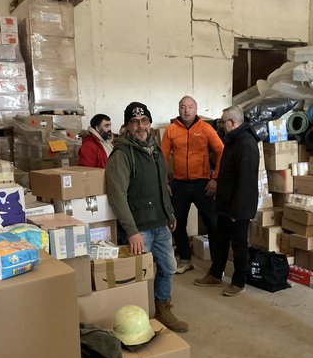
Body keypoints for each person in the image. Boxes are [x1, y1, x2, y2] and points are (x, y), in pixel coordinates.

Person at [106, 102, 188, 332]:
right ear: (126, 126)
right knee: (137, 277)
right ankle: (135, 320)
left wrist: (169, 213)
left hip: (160, 223)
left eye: (144, 121)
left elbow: (163, 185)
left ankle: (162, 308)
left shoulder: (155, 149)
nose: (140, 126)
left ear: (149, 123)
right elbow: (117, 195)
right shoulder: (122, 154)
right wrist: (131, 230)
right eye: (134, 122)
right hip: (140, 228)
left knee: (168, 267)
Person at [193, 105, 259, 297]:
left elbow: (246, 182)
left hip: (238, 207)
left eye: (223, 122)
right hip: (225, 204)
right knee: (220, 240)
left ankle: (239, 282)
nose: (221, 125)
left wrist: (237, 211)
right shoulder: (232, 140)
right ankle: (215, 274)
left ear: (233, 122)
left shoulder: (246, 144)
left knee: (238, 245)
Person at [161, 96, 224, 274]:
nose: (186, 110)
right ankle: (185, 259)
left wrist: (215, 178)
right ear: (178, 109)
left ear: (196, 110)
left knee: (213, 223)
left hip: (202, 184)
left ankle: (217, 264)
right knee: (177, 224)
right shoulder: (171, 130)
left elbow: (222, 151)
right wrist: (164, 181)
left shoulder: (205, 128)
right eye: (182, 107)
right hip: (179, 185)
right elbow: (162, 157)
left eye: (190, 107)